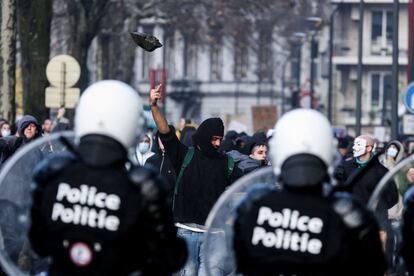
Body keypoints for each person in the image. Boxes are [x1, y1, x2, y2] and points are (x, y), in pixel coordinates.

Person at [29, 80, 187, 276]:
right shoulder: (141, 186)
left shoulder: (54, 173)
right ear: (133, 126)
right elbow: (169, 257)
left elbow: (38, 243)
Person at [232, 109, 386, 275]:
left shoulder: (256, 202)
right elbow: (373, 266)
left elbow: (238, 260)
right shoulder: (347, 210)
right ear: (329, 151)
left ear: (277, 150)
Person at [149, 84, 242, 276]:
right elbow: (165, 131)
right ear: (205, 136)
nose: (217, 143)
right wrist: (154, 106)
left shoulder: (227, 163)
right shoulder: (184, 155)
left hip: (215, 236)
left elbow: (244, 188)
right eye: (214, 138)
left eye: (220, 139)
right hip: (185, 233)